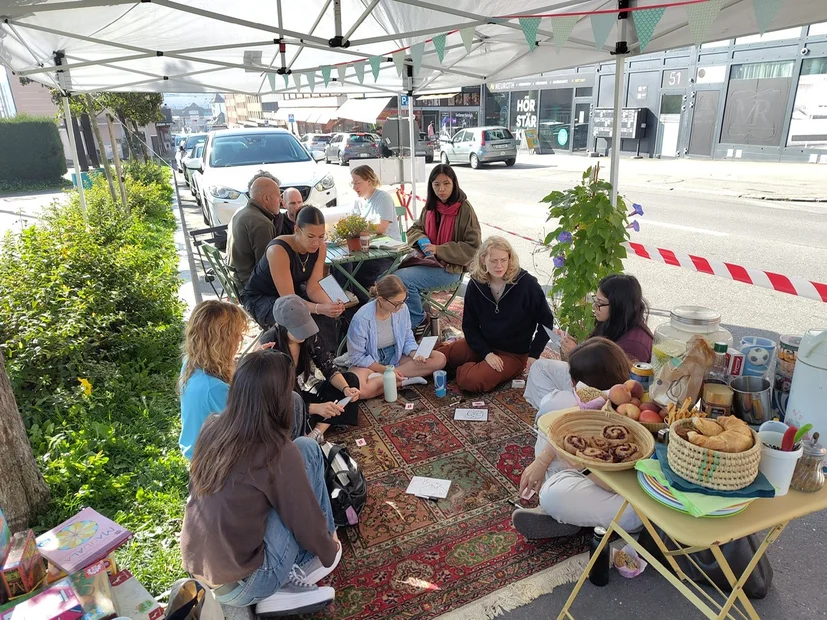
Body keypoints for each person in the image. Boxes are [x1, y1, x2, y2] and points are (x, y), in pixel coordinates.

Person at [180, 349, 342, 615]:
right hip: (249, 581)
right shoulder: (275, 449)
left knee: (307, 447)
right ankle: (295, 573)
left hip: (202, 567)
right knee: (296, 508)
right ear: (279, 399)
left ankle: (298, 564)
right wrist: (329, 550)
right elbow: (302, 517)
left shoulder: (213, 426)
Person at [512, 338, 642, 539]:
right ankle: (569, 515)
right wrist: (543, 460)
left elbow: (617, 483)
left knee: (552, 495)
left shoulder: (630, 417)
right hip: (593, 476)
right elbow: (560, 427)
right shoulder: (603, 402)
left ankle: (564, 516)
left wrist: (583, 466)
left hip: (629, 498)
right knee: (551, 426)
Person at [437, 236, 554, 393]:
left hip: (513, 353)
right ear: (483, 259)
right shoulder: (476, 283)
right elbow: (469, 326)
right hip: (482, 345)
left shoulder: (527, 284)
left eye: (503, 260)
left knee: (471, 381)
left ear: (510, 259)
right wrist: (486, 353)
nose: (499, 266)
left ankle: (462, 369)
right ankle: (463, 365)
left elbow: (546, 322)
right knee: (441, 355)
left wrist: (533, 355)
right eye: (494, 261)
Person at [524, 274, 653, 410]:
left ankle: (557, 410)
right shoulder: (613, 322)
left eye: (600, 303)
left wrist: (575, 352)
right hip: (590, 380)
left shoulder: (635, 343)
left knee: (552, 397)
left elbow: (615, 386)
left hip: (602, 394)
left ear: (618, 306)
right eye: (595, 300)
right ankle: (554, 408)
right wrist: (576, 350)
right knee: (539, 368)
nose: (594, 306)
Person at [260, 295, 361, 442]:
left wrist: (346, 389)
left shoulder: (310, 335)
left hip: (304, 393)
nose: (304, 333)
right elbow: (275, 398)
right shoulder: (270, 345)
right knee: (289, 419)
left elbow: (328, 366)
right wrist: (314, 408)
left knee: (350, 380)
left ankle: (317, 431)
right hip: (287, 400)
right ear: (281, 327)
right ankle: (321, 422)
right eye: (298, 329)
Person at [244, 206, 344, 351]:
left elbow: (314, 287)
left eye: (321, 236)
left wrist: (331, 305)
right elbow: (289, 299)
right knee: (297, 316)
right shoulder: (278, 250)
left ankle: (325, 358)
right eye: (310, 237)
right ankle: (292, 362)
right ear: (297, 230)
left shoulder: (321, 248)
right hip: (261, 298)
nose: (316, 243)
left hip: (292, 294)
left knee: (325, 314)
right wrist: (319, 308)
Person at [395, 164, 481, 329]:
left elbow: (474, 248)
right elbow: (415, 229)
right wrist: (422, 240)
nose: (441, 189)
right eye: (436, 184)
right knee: (388, 279)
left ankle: (418, 322)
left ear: (454, 184)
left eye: (446, 183)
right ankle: (400, 321)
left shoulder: (464, 209)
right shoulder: (430, 207)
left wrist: (439, 249)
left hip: (450, 269)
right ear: (431, 186)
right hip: (427, 262)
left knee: (402, 280)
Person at [347, 275, 447, 399]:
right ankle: (402, 380)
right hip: (371, 361)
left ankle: (386, 380)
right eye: (396, 303)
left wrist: (414, 354)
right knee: (359, 390)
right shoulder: (361, 319)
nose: (400, 306)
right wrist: (384, 370)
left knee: (439, 359)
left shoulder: (402, 309)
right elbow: (357, 356)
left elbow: (407, 338)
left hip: (395, 354)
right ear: (381, 299)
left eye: (403, 301)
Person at [227, 172, 281, 288]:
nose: (280, 201)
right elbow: (266, 268)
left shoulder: (240, 212)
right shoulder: (262, 223)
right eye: (278, 196)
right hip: (250, 287)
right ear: (266, 198)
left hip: (235, 280)